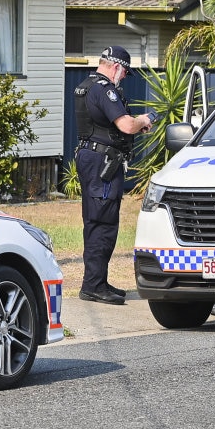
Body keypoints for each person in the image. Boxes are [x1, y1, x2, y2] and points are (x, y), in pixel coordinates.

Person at [74, 46, 154, 306]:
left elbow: (104, 127)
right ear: (117, 67)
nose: (123, 78)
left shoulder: (85, 85)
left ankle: (97, 281)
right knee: (103, 223)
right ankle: (94, 285)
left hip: (90, 157)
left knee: (95, 220)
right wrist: (143, 120)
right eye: (124, 72)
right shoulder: (105, 89)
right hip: (102, 163)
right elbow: (126, 124)